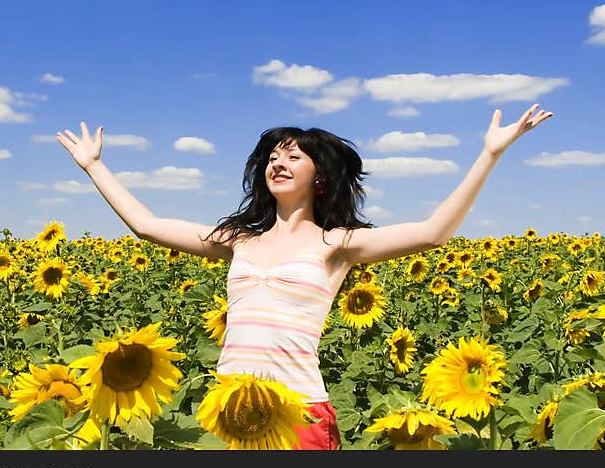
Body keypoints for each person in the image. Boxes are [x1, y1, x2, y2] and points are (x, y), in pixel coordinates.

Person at [56, 103, 554, 449]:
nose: (278, 161)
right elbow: (148, 226)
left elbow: (432, 233)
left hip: (300, 412)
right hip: (232, 409)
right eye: (273, 156)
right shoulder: (239, 240)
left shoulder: (336, 244)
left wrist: (491, 152)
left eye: (293, 155)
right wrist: (94, 167)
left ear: (319, 177)